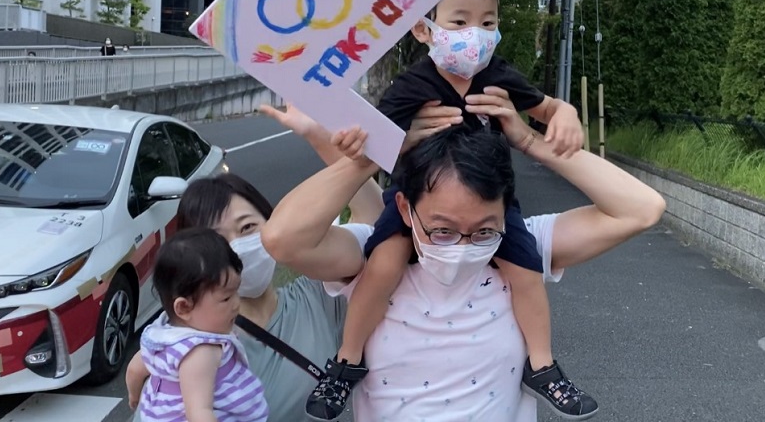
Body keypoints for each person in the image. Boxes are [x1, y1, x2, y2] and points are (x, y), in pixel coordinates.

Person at [261, 86, 667, 421]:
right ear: (404, 208)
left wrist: (531, 142)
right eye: (442, 230)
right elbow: (283, 239)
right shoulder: (374, 256)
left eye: (484, 230)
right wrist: (374, 154)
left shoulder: (522, 251)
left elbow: (641, 208)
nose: (463, 246)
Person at [305, 0, 590, 421]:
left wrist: (567, 115)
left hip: (490, 203)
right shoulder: (414, 84)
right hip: (416, 199)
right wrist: (363, 138)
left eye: (487, 24)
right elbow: (372, 137)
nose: (474, 34)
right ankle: (346, 361)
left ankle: (542, 366)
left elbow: (548, 107)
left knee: (525, 273)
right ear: (424, 28)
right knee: (382, 266)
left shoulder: (499, 75)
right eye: (459, 22)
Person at [126, 103, 448, 421]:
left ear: (272, 224)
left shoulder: (319, 295)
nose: (235, 247)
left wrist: (318, 136)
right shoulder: (186, 346)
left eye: (249, 228)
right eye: (217, 239)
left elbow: (374, 223)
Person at [125, 228, 270, 422]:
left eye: (236, 292)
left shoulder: (163, 337)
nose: (237, 303)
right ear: (184, 307)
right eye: (226, 298)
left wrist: (135, 398)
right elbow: (199, 413)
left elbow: (134, 371)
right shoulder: (200, 352)